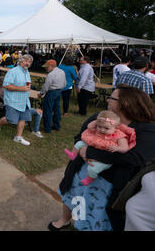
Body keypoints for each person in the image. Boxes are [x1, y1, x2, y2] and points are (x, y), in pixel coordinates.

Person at [50, 85, 155, 231]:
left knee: (95, 211)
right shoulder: (103, 116)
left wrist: (89, 152)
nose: (108, 100)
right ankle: (65, 219)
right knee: (74, 195)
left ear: (124, 103)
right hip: (82, 170)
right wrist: (81, 149)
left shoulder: (147, 130)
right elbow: (81, 135)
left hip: (108, 183)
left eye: (111, 98)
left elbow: (131, 158)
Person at [64, 110, 136, 186]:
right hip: (95, 147)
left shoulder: (119, 136)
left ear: (116, 127)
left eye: (106, 128)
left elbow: (125, 148)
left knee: (92, 169)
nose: (102, 130)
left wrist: (117, 148)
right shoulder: (99, 129)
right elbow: (89, 126)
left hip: (104, 159)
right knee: (79, 143)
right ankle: (73, 154)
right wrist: (99, 121)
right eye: (99, 127)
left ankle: (91, 178)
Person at [2, 54, 33, 146]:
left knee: (22, 118)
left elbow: (27, 85)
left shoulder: (27, 72)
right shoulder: (13, 71)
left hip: (24, 100)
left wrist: (27, 89)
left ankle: (18, 137)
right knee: (10, 119)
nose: (27, 63)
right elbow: (6, 85)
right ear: (20, 61)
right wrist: (21, 89)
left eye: (29, 62)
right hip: (13, 100)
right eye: (26, 61)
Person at [38, 59, 66, 133]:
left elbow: (46, 86)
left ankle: (47, 128)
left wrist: (41, 93)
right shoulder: (62, 71)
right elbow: (64, 83)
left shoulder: (51, 74)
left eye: (47, 67)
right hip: (59, 91)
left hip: (51, 92)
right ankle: (57, 126)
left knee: (47, 110)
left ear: (51, 66)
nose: (46, 68)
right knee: (57, 109)